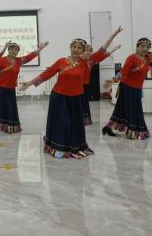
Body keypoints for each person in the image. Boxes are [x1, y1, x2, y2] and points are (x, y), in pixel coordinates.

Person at [21, 27, 122, 158]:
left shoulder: (87, 62)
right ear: (70, 48)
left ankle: (73, 145)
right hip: (59, 96)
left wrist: (113, 35)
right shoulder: (61, 61)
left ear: (83, 50)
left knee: (73, 123)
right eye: (73, 47)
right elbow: (47, 74)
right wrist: (30, 83)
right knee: (62, 122)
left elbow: (102, 49)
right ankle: (58, 146)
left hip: (75, 97)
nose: (75, 49)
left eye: (79, 48)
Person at [102, 33, 152, 140]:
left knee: (123, 109)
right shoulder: (132, 58)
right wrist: (113, 80)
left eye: (148, 47)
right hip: (127, 88)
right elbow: (123, 71)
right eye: (143, 46)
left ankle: (109, 128)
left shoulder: (148, 58)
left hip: (137, 89)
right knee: (133, 110)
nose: (145, 49)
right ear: (137, 47)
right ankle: (133, 131)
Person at [0, 41, 49, 133]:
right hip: (0, 87)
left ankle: (8, 126)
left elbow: (29, 57)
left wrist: (39, 49)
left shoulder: (19, 61)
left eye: (16, 50)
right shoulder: (2, 60)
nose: (14, 51)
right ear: (8, 50)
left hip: (11, 88)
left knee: (10, 107)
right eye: (12, 49)